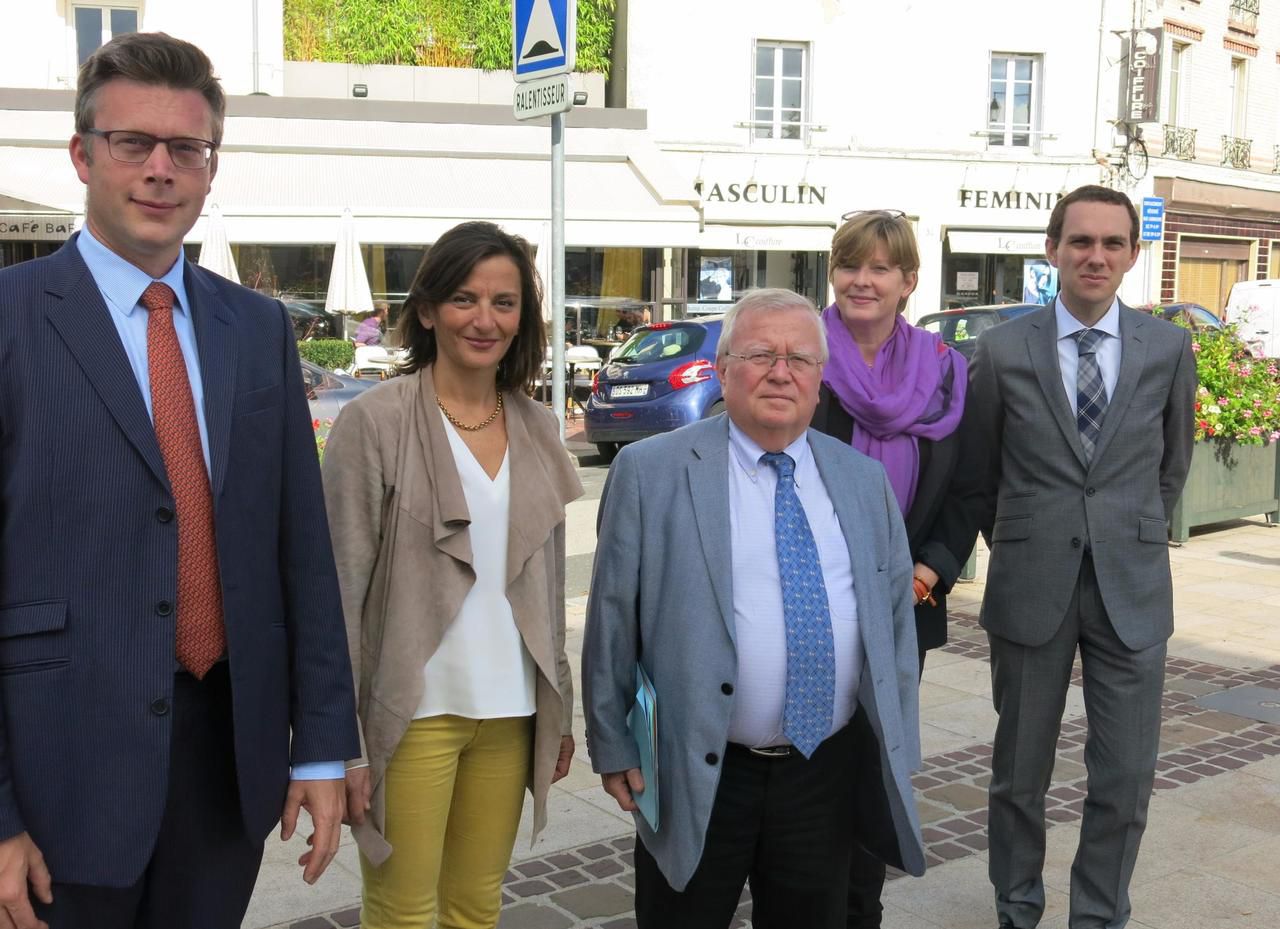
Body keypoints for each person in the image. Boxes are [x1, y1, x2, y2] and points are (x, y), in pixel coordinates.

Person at [0, 32, 359, 929]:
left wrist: (319, 748)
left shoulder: (258, 328)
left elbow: (301, 552)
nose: (162, 169)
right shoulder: (9, 321)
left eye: (187, 149)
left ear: (210, 168)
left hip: (227, 761)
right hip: (56, 769)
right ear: (82, 154)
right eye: (134, 143)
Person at [582, 289, 925, 929]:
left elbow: (894, 628)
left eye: (799, 358)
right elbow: (610, 622)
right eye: (760, 353)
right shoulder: (650, 471)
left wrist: (899, 742)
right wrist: (611, 742)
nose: (780, 371)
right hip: (694, 768)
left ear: (820, 379)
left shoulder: (860, 480)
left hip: (823, 770)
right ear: (723, 368)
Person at [942, 185, 1196, 928]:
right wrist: (1020, 542)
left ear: (1132, 255)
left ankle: (1097, 914)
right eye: (1079, 241)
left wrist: (1133, 531)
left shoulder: (1167, 347)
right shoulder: (1001, 348)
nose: (1095, 255)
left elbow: (1170, 467)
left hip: (1133, 585)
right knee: (1020, 773)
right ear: (1052, 250)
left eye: (1111, 243)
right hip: (1032, 584)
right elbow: (979, 471)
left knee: (1125, 775)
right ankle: (1017, 907)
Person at [322, 221, 582, 929]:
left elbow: (548, 584)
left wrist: (561, 704)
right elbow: (339, 589)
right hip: (412, 713)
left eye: (504, 302)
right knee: (402, 912)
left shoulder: (535, 423)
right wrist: (337, 736)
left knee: (475, 907)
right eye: (465, 299)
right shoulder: (373, 423)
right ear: (428, 308)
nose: (485, 319)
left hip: (509, 710)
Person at [809, 210, 971, 928]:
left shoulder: (945, 371)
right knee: (810, 769)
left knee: (876, 769)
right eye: (849, 264)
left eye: (880, 267)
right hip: (810, 601)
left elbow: (968, 485)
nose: (862, 280)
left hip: (904, 604)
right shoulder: (799, 354)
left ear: (909, 281)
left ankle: (859, 911)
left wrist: (928, 571)